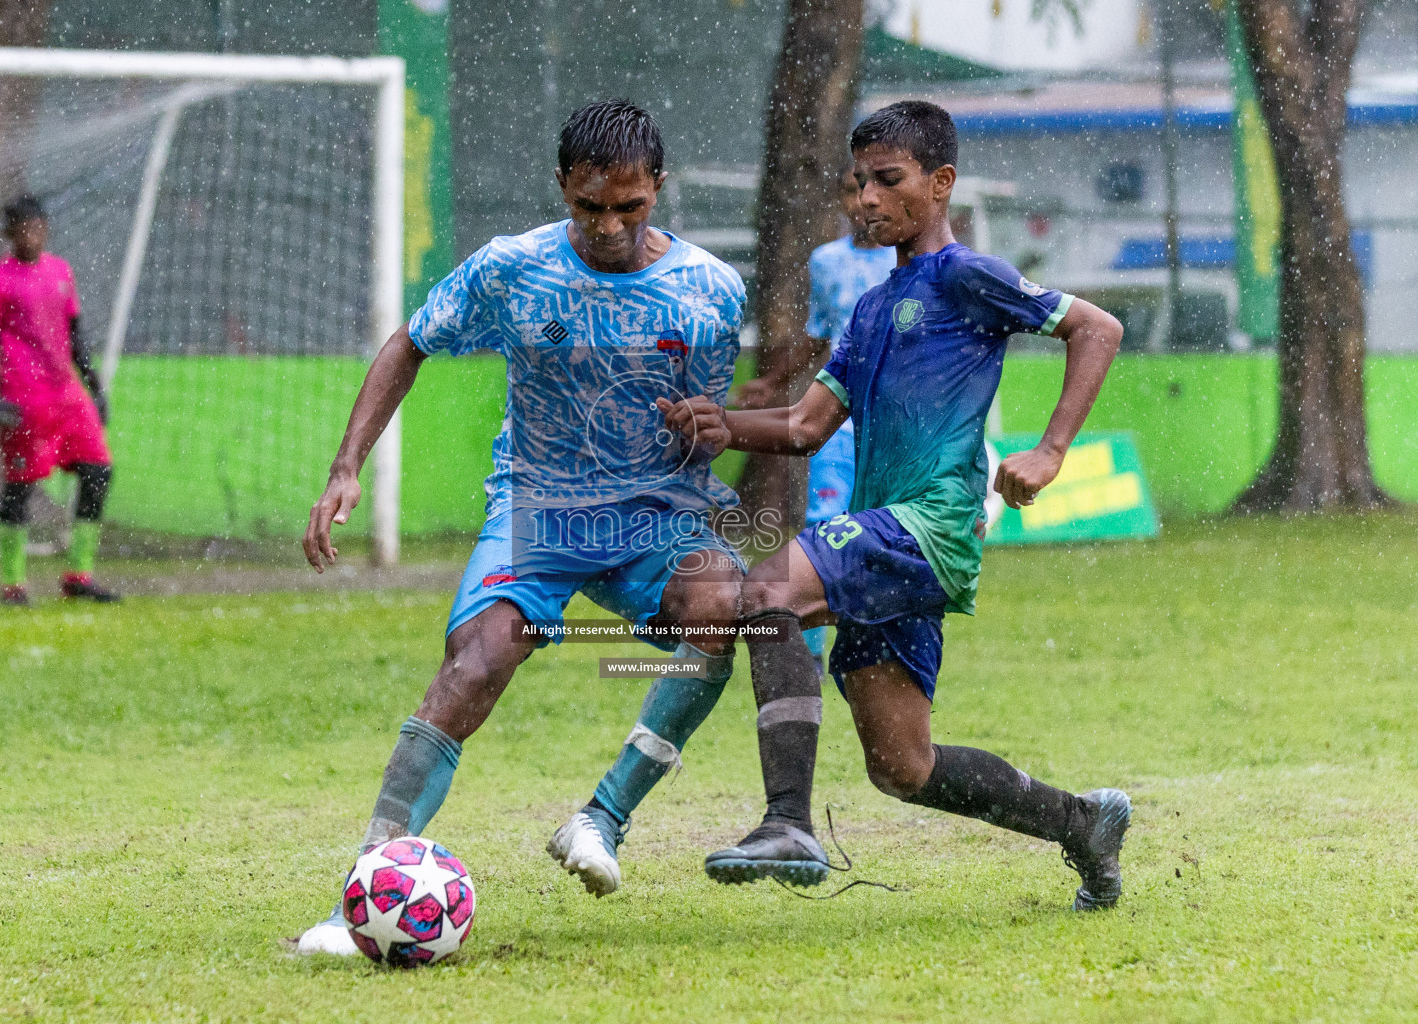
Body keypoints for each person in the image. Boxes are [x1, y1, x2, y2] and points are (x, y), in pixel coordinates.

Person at [295, 100, 747, 954]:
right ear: (560, 188)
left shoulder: (711, 290)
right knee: (476, 662)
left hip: (651, 519)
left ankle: (601, 819)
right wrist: (345, 466)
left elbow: (708, 419)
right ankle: (360, 897)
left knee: (725, 607)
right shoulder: (510, 269)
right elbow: (409, 344)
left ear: (658, 188)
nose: (608, 227)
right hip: (537, 510)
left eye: (629, 208)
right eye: (588, 207)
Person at [660, 100, 1133, 910]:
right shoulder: (872, 308)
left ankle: (787, 823)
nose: (866, 200)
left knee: (764, 590)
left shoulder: (963, 275)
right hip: (887, 534)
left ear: (940, 184)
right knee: (902, 767)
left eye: (888, 181)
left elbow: (1098, 327)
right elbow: (809, 424)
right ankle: (1082, 822)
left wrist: (1050, 450)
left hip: (926, 525)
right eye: (857, 184)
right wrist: (719, 424)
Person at [736, 165, 893, 680]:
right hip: (836, 423)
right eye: (851, 189)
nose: (862, 200)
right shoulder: (825, 261)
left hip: (894, 428)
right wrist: (774, 383)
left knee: (884, 535)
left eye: (873, 187)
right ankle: (804, 656)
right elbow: (821, 334)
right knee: (822, 529)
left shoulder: (908, 260)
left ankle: (875, 644)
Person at [0, 195, 119, 606]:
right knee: (20, 488)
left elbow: (75, 336)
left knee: (98, 473)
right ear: (9, 234)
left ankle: (78, 575)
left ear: (46, 228)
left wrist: (94, 386)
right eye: (23, 229)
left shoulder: (61, 272)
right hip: (25, 396)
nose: (32, 235)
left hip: (67, 395)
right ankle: (13, 585)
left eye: (38, 227)